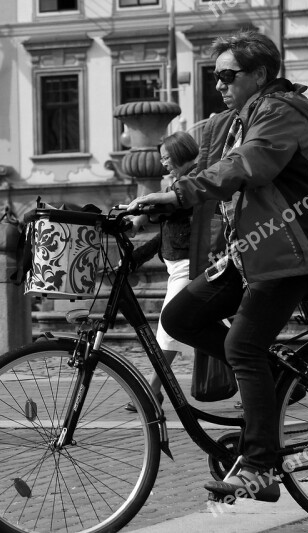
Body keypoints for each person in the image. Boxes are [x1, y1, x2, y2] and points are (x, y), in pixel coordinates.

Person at [128, 30, 308, 502]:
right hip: (255, 252)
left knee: (242, 346)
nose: (220, 84)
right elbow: (197, 147)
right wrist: (154, 195)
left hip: (297, 250)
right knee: (180, 316)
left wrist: (180, 192)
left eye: (229, 75)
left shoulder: (279, 113)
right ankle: (275, 381)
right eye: (216, 76)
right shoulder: (239, 118)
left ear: (260, 75)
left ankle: (261, 469)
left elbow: (249, 166)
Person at [124, 131, 199, 413]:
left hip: (190, 266)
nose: (164, 163)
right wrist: (137, 255)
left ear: (179, 154)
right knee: (224, 334)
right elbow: (168, 230)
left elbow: (171, 212)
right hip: (180, 265)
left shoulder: (193, 181)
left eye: (166, 158)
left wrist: (142, 210)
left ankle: (152, 391)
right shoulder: (180, 183)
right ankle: (272, 376)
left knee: (168, 326)